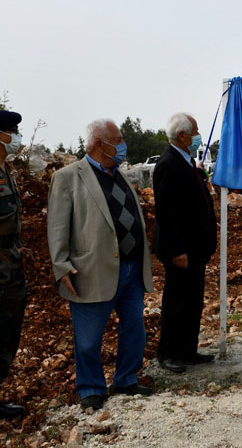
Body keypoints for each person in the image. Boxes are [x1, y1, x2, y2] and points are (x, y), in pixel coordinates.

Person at [47, 119, 154, 411]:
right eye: (117, 140)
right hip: (91, 270)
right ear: (99, 144)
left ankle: (126, 379)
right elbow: (57, 226)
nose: (122, 145)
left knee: (134, 328)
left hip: (131, 269)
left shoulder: (119, 175)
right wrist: (61, 265)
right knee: (88, 339)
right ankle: (91, 388)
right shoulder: (68, 177)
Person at [153, 113, 217, 373]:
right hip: (181, 251)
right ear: (182, 135)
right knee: (177, 301)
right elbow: (166, 213)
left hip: (196, 249)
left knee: (193, 300)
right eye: (195, 132)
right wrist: (177, 250)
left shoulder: (186, 161)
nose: (198, 136)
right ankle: (168, 353)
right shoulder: (168, 164)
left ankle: (188, 350)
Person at [0, 110, 32, 419]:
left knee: (8, 327)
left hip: (10, 261)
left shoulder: (6, 169)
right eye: (11, 132)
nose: (16, 138)